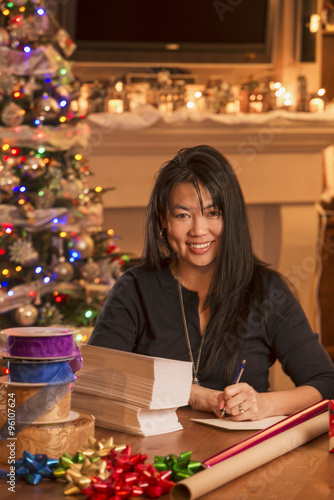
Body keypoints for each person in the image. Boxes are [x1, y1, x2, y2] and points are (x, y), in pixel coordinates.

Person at [89, 145, 334, 420]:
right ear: (163, 220)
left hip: (242, 454)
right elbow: (98, 376)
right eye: (183, 215)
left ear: (231, 217)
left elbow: (326, 383)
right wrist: (192, 394)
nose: (199, 230)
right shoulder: (134, 289)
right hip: (151, 456)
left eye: (213, 213)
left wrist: (264, 404)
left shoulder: (267, 291)